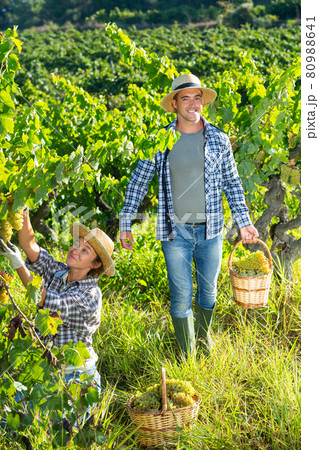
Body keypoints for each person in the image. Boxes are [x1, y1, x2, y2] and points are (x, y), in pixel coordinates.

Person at [119, 73, 258, 357]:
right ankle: (187, 356)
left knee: (208, 294)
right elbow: (138, 181)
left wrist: (244, 222)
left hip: (212, 232)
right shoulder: (160, 140)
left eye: (197, 98)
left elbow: (232, 183)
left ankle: (203, 344)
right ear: (174, 104)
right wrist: (126, 223)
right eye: (186, 98)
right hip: (175, 233)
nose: (193, 104)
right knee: (181, 294)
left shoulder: (219, 140)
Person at [0, 206, 115, 397]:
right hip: (48, 369)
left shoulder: (90, 295)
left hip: (76, 377)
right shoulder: (59, 272)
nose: (75, 250)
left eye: (84, 250)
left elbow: (44, 299)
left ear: (95, 264)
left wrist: (17, 263)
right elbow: (30, 246)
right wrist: (22, 210)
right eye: (76, 244)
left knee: (60, 425)